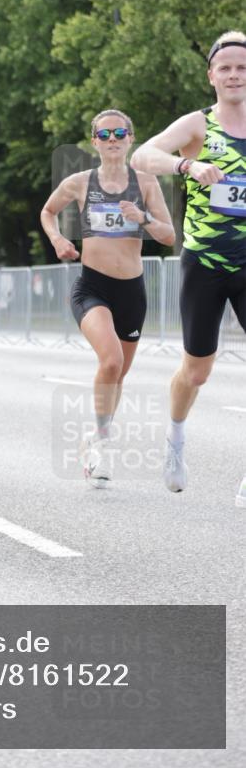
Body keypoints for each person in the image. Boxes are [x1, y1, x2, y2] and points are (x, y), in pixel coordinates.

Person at [131, 31, 246, 507]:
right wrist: (186, 167)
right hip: (204, 262)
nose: (235, 75)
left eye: (242, 67)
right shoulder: (199, 124)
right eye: (226, 68)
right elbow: (141, 156)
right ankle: (175, 438)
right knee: (196, 370)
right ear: (212, 76)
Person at [41, 109, 174, 487]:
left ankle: (94, 436)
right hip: (92, 287)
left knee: (117, 375)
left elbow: (168, 236)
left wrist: (143, 217)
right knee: (111, 360)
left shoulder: (145, 182)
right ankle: (101, 443)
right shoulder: (81, 182)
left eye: (120, 133)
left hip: (131, 291)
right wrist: (58, 239)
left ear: (131, 138)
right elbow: (48, 212)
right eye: (105, 134)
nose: (113, 139)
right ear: (95, 141)